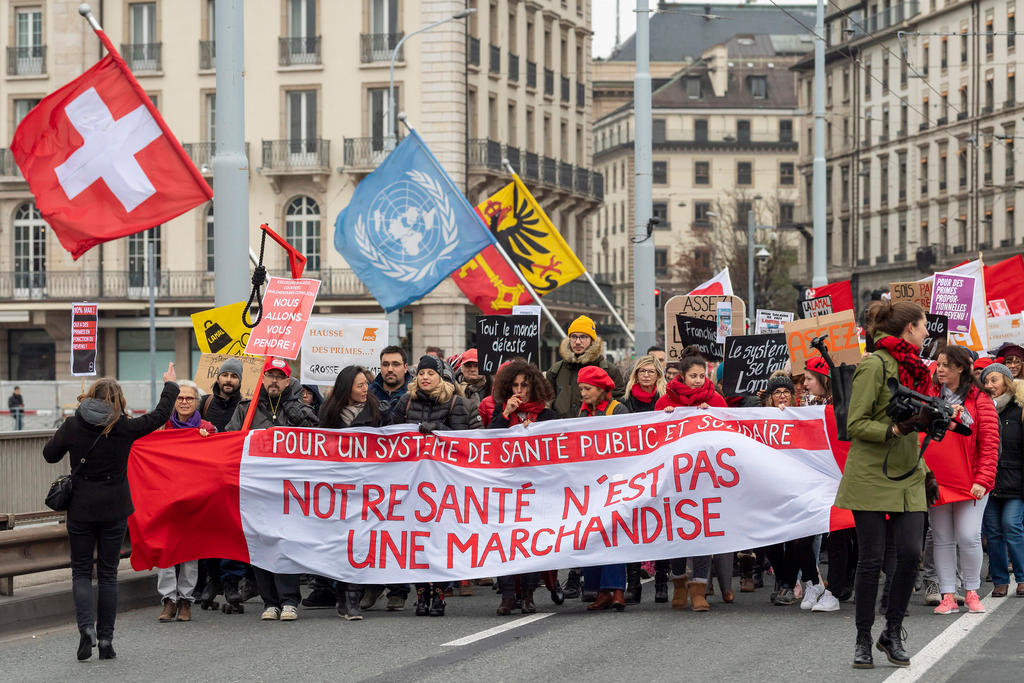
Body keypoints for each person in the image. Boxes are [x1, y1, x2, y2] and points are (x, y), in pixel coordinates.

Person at [43, 363, 179, 661]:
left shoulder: (72, 424)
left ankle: (85, 630)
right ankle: (106, 640)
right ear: (118, 401)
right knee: (107, 575)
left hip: (80, 507)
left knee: (80, 572)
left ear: (90, 396)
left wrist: (67, 434)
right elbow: (159, 416)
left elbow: (49, 455)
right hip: (115, 508)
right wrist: (170, 384)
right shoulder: (124, 427)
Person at [834, 301, 933, 669]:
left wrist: (936, 420)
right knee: (872, 559)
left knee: (910, 553)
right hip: (871, 473)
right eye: (923, 327)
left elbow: (918, 418)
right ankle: (862, 637)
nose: (927, 333)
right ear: (908, 330)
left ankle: (892, 631)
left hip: (908, 472)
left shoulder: (919, 369)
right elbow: (855, 425)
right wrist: (895, 428)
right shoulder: (874, 364)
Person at [226, 357, 317, 621]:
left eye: (280, 377)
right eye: (270, 376)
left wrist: (295, 407)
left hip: (289, 489)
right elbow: (231, 439)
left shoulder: (299, 407)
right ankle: (270, 601)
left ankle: (289, 599)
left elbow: (315, 434)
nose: (274, 381)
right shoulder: (246, 409)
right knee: (261, 543)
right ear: (262, 379)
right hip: (256, 489)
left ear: (288, 381)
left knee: (285, 541)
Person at [392, 355, 472, 616]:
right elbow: (390, 432)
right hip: (413, 483)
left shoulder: (455, 403)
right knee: (416, 539)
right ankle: (421, 594)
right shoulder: (406, 401)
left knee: (439, 539)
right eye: (421, 373)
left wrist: (435, 429)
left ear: (442, 376)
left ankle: (439, 593)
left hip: (443, 484)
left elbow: (462, 442)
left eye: (431, 373)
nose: (425, 377)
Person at [927, 345, 999, 615]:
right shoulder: (930, 394)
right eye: (938, 363)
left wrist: (983, 478)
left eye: (946, 364)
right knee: (942, 537)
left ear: (961, 368)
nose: (940, 369)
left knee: (968, 536)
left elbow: (990, 443)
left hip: (972, 481)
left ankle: (971, 590)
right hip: (938, 479)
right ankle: (948, 594)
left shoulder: (980, 398)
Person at [656, 346, 725, 612]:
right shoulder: (666, 402)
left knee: (702, 533)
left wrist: (712, 416)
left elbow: (730, 432)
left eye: (702, 376)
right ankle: (679, 583)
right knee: (676, 531)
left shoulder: (715, 400)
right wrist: (666, 419)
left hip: (706, 477)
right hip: (674, 478)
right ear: (682, 376)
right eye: (693, 376)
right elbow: (653, 438)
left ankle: (699, 589)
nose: (698, 380)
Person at [488, 360, 558, 614]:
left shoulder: (547, 416)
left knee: (531, 542)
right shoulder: (501, 413)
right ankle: (508, 595)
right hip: (506, 489)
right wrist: (506, 416)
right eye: (515, 386)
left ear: (534, 387)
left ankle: (527, 594)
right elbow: (487, 445)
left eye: (524, 385)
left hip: (537, 489)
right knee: (503, 541)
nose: (520, 390)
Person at [317, 366, 386, 620]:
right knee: (339, 544)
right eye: (359, 385)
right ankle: (341, 594)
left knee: (359, 542)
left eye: (366, 384)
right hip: (337, 489)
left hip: (368, 488)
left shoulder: (378, 410)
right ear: (347, 389)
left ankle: (353, 598)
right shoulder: (328, 412)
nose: (365, 389)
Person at [156, 380, 215, 623]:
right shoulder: (162, 428)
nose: (184, 402)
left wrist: (207, 441)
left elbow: (217, 461)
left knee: (190, 552)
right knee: (165, 550)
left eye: (189, 398)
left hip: (194, 498)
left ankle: (186, 600)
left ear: (197, 402)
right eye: (180, 398)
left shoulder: (207, 428)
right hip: (167, 497)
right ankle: (168, 599)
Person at [574, 366, 630, 611]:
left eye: (587, 389)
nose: (583, 394)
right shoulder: (583, 413)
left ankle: (617, 589)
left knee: (614, 535)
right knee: (594, 534)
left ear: (601, 389)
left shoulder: (617, 410)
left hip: (615, 481)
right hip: (592, 483)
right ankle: (600, 590)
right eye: (581, 389)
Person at [195, 357, 248, 613]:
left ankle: (231, 583)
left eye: (234, 376)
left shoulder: (247, 406)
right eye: (225, 375)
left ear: (240, 381)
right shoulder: (204, 404)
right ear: (218, 377)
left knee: (233, 531)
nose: (229, 380)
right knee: (209, 531)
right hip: (207, 479)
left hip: (235, 479)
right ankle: (212, 580)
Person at [622, 354, 667, 603]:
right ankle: (634, 584)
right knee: (633, 525)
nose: (647, 375)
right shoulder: (625, 402)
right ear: (636, 375)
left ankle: (661, 582)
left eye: (651, 371)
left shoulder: (666, 401)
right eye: (642, 371)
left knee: (660, 525)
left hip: (660, 468)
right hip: (634, 470)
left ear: (658, 375)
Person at [980, 363, 1024, 598]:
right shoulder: (982, 410)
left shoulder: (1020, 410)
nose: (989, 386)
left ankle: (1023, 577)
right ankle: (999, 580)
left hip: (1015, 482)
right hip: (989, 482)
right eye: (986, 381)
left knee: (1012, 526)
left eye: (994, 380)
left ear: (1007, 381)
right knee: (993, 532)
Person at [547, 315, 625, 418]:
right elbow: (545, 401)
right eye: (574, 337)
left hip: (595, 430)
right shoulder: (556, 370)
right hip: (563, 430)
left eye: (583, 337)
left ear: (592, 340)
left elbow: (618, 405)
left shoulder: (608, 370)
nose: (578, 342)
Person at [371, 345, 414, 419]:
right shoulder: (368, 393)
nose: (390, 369)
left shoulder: (415, 394)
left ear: (406, 367)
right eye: (385, 364)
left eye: (395, 364)